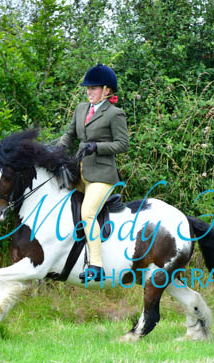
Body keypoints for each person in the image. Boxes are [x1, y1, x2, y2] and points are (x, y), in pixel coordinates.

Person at [57, 63, 129, 282]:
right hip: (79, 171)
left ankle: (96, 265)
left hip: (102, 176)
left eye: (94, 88)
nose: (89, 92)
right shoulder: (81, 109)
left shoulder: (115, 114)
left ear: (107, 90)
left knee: (87, 212)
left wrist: (97, 147)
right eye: (88, 88)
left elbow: (122, 144)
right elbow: (69, 135)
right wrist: (55, 151)